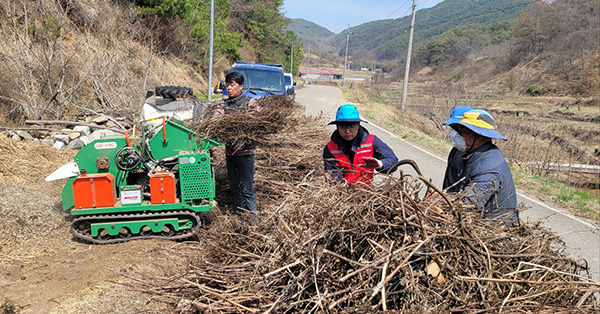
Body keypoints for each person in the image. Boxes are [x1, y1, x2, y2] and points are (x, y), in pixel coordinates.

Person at [446, 109, 518, 225]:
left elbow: (466, 204)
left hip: (493, 229)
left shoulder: (489, 168)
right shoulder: (472, 154)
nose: (458, 136)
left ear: (479, 136)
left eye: (463, 132)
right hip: (478, 222)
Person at [323, 104, 398, 185]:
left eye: (351, 126)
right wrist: (341, 185)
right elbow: (332, 176)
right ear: (337, 127)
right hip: (342, 193)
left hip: (367, 192)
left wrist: (380, 164)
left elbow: (392, 160)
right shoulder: (330, 148)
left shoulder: (371, 141)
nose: (347, 131)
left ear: (358, 125)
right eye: (342, 127)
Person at [220, 72, 259, 215]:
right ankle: (237, 215)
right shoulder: (223, 104)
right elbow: (215, 120)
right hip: (230, 153)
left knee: (247, 188)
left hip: (245, 154)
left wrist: (241, 142)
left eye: (232, 85)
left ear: (241, 86)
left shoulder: (250, 103)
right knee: (234, 187)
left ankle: (253, 217)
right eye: (227, 85)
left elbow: (256, 127)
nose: (229, 88)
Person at [442, 106, 473, 192]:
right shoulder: (455, 151)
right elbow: (449, 180)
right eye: (454, 128)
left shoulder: (474, 157)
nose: (456, 133)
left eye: (461, 129)